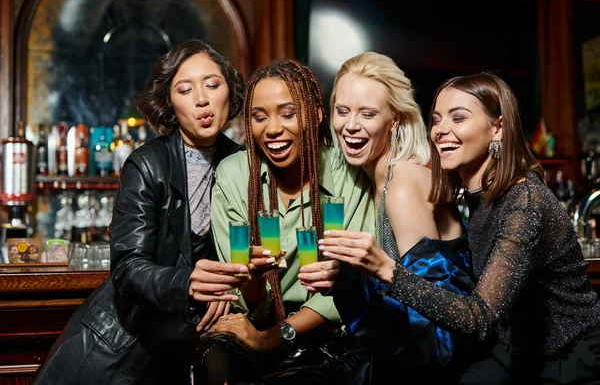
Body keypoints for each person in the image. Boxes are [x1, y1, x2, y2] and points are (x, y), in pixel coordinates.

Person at [320, 71, 600, 384]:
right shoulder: (479, 195)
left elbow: (477, 317)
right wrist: (349, 278)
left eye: (458, 118)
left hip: (571, 356)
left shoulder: (525, 201)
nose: (442, 130)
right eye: (437, 119)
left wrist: (387, 270)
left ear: (498, 128)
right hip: (513, 350)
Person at [32, 39, 249, 385]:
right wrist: (188, 282)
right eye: (184, 89)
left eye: (212, 84)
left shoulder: (243, 165)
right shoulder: (147, 165)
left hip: (179, 353)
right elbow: (127, 269)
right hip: (117, 348)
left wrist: (231, 291)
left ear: (230, 90)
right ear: (169, 103)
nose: (202, 99)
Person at [299, 51, 480, 383]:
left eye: (367, 113)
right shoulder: (379, 178)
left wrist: (351, 282)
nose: (350, 125)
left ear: (395, 119)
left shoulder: (401, 187)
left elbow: (434, 328)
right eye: (343, 111)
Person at [194, 59, 374, 384]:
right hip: (258, 324)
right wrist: (250, 280)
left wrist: (279, 335)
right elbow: (246, 297)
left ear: (316, 115)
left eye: (288, 114)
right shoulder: (235, 176)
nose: (272, 129)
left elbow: (354, 281)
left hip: (331, 337)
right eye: (259, 117)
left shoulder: (348, 174)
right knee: (208, 359)